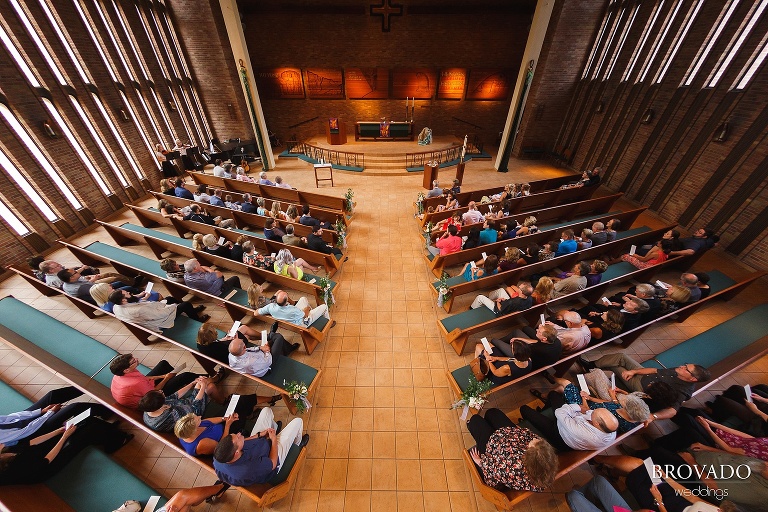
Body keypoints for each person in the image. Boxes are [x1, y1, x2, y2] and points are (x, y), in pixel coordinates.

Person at [0, 415, 132, 485]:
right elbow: (46, 460)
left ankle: (108, 429)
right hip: (45, 467)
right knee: (81, 439)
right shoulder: (13, 468)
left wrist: (57, 432)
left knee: (82, 422)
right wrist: (64, 437)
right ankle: (114, 442)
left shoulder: (6, 450)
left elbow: (30, 443)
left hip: (34, 454)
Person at [580, 354, 710, 420]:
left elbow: (673, 410)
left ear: (693, 378)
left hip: (642, 389)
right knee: (621, 357)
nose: (682, 366)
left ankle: (590, 374)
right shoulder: (677, 371)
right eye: (685, 365)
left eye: (686, 368)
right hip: (644, 377)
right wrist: (634, 371)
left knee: (615, 367)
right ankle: (591, 365)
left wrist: (653, 417)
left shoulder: (683, 391)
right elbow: (654, 371)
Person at [467, 407, 558, 491]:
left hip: (492, 448)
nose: (534, 439)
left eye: (532, 443)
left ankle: (471, 425)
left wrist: (479, 461)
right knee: (492, 413)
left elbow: (492, 478)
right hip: (510, 436)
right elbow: (532, 437)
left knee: (476, 420)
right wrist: (519, 431)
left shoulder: (513, 469)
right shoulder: (545, 459)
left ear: (528, 455)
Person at [213, 407, 308, 486]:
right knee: (298, 421)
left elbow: (241, 442)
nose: (239, 434)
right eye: (238, 437)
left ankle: (274, 428)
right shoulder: (247, 469)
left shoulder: (220, 455)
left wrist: (259, 435)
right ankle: (297, 444)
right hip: (273, 456)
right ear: (236, 453)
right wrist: (274, 439)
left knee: (266, 410)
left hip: (259, 443)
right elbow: (273, 463)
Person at [174, 393, 280, 456]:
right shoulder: (201, 444)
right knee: (240, 411)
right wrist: (228, 424)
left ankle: (269, 400)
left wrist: (225, 418)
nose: (200, 417)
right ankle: (254, 416)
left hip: (221, 426)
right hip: (227, 437)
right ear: (194, 429)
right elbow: (223, 446)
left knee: (240, 400)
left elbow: (208, 421)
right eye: (197, 420)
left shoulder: (186, 429)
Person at [519, 390, 618, 452]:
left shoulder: (582, 432)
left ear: (597, 423)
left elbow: (559, 413)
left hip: (560, 435)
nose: (591, 411)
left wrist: (578, 407)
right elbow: (587, 411)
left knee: (524, 409)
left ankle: (526, 420)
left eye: (593, 413)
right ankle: (544, 409)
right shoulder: (611, 428)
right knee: (553, 394)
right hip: (571, 425)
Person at [0, 386, 88, 446]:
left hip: (19, 423)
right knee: (74, 407)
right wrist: (49, 413)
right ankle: (101, 409)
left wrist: (40, 411)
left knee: (52, 395)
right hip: (30, 434)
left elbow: (9, 418)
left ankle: (87, 387)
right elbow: (26, 431)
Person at [109, 353, 201, 409]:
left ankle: (174, 381)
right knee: (185, 376)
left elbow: (145, 378)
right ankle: (205, 378)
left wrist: (163, 376)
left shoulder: (120, 374)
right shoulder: (136, 383)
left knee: (163, 364)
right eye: (133, 361)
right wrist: (166, 378)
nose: (137, 359)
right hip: (151, 401)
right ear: (126, 370)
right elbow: (155, 392)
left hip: (144, 388)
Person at [137, 376, 226, 432]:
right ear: (160, 404)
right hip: (193, 415)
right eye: (161, 394)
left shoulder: (150, 407)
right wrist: (202, 387)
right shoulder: (171, 415)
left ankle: (216, 386)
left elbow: (175, 396)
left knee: (200, 381)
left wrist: (192, 383)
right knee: (209, 386)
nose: (161, 391)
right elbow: (195, 406)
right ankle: (223, 401)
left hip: (185, 406)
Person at [110, 290, 210, 332]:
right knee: (185, 305)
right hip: (162, 320)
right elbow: (161, 314)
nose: (130, 293)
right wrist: (174, 306)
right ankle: (197, 319)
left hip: (153, 311)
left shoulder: (116, 306)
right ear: (123, 300)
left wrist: (143, 297)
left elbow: (133, 302)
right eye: (127, 293)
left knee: (169, 298)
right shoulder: (139, 309)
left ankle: (192, 310)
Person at [228, 332, 298, 377]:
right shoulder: (252, 361)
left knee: (274, 341)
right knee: (278, 337)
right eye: (242, 341)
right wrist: (266, 350)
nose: (243, 340)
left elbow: (247, 350)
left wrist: (260, 348)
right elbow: (268, 361)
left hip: (259, 359)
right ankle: (288, 349)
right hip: (267, 366)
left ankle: (272, 335)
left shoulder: (232, 354)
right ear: (244, 347)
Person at [257, 290, 333, 328]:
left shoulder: (270, 306)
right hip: (302, 323)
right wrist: (308, 309)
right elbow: (304, 315)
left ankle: (314, 314)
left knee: (303, 299)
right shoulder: (292, 310)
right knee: (324, 306)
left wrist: (268, 312)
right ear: (286, 301)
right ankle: (328, 323)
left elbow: (255, 313)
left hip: (290, 320)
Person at [469, 281, 534, 315]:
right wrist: (505, 300)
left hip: (499, 311)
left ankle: (472, 308)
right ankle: (489, 298)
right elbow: (512, 303)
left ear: (522, 292)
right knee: (501, 290)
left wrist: (498, 301)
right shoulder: (529, 298)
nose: (518, 287)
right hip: (510, 306)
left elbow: (500, 309)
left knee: (480, 297)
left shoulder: (512, 302)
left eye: (519, 288)